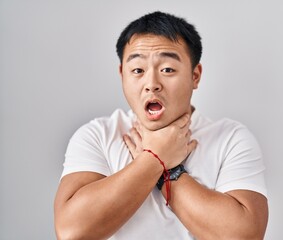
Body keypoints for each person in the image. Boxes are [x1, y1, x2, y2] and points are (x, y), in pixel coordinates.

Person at [54, 11, 268, 240]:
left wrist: (172, 172)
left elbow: (243, 236)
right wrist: (155, 157)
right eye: (137, 70)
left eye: (167, 69)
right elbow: (72, 231)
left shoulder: (230, 138)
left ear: (195, 76)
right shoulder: (97, 135)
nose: (151, 84)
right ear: (122, 75)